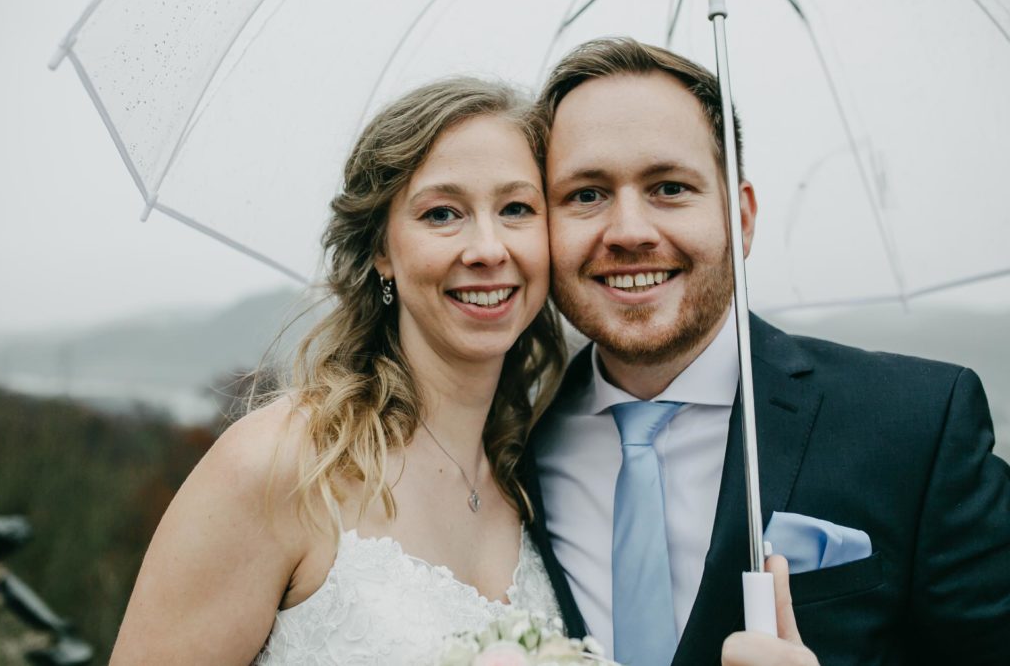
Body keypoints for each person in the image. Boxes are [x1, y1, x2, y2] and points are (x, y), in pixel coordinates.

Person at [523, 37, 1010, 666]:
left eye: (670, 187)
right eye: (586, 195)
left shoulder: (918, 424)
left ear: (742, 219)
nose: (630, 232)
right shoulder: (508, 446)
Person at [109, 77, 567, 665]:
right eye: (442, 213)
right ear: (383, 250)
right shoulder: (280, 466)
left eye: (516, 209)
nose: (486, 247)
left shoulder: (537, 481)